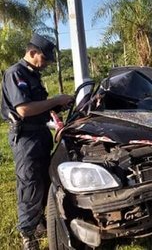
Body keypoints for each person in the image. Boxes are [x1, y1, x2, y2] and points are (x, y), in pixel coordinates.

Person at [1, 33, 74, 250]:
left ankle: (40, 221)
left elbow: (39, 105)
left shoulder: (33, 75)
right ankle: (28, 234)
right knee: (30, 184)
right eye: (45, 58)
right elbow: (23, 109)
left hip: (40, 134)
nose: (47, 64)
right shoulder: (16, 73)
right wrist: (55, 100)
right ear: (33, 53)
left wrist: (60, 104)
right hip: (26, 138)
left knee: (45, 179)